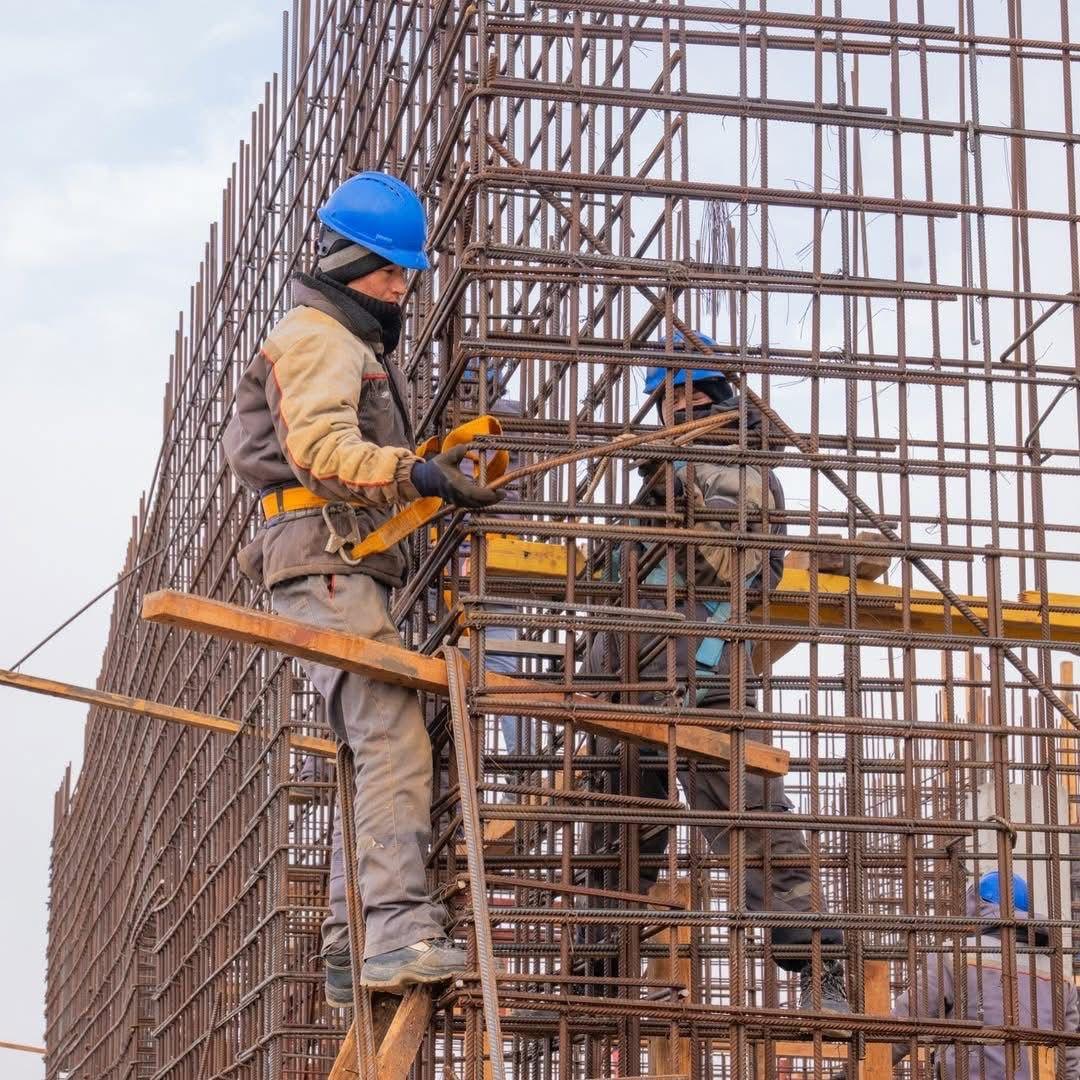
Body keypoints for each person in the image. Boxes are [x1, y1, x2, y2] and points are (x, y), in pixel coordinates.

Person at [223, 171, 503, 1002]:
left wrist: (425, 467)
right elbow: (320, 452)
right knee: (391, 735)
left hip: (334, 561)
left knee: (369, 746)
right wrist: (412, 469)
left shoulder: (346, 340)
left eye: (406, 273)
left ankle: (353, 945)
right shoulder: (318, 337)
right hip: (323, 561)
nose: (400, 287)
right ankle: (395, 934)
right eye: (388, 272)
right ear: (347, 264)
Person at [588, 334, 850, 1017]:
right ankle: (594, 983)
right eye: (664, 398)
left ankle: (820, 968)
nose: (674, 407)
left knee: (752, 823)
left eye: (686, 393)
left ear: (716, 395)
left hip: (701, 674)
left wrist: (685, 482)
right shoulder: (657, 474)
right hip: (625, 682)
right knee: (614, 838)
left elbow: (749, 569)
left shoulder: (736, 464)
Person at [889, 871, 1080, 1080]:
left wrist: (864, 1063)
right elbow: (1069, 1060)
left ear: (974, 906)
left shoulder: (953, 957)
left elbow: (904, 1024)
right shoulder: (1058, 975)